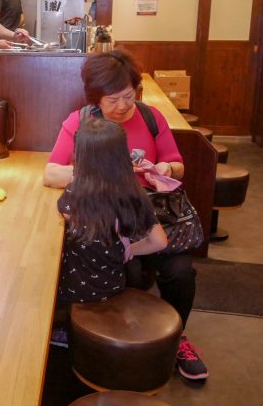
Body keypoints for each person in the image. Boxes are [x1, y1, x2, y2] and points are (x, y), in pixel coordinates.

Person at [43, 50, 209, 382]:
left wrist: (164, 167)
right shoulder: (81, 122)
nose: (121, 106)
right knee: (125, 270)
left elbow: (178, 165)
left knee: (181, 273)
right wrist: (103, 174)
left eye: (128, 97)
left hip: (151, 212)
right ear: (95, 98)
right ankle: (121, 344)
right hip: (112, 222)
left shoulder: (151, 118)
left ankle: (176, 338)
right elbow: (51, 173)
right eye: (112, 99)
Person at [56, 117, 168, 306]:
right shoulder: (134, 195)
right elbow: (160, 242)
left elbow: (67, 215)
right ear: (123, 155)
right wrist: (128, 250)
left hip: (71, 290)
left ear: (80, 156)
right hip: (113, 287)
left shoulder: (73, 194)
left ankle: (62, 330)